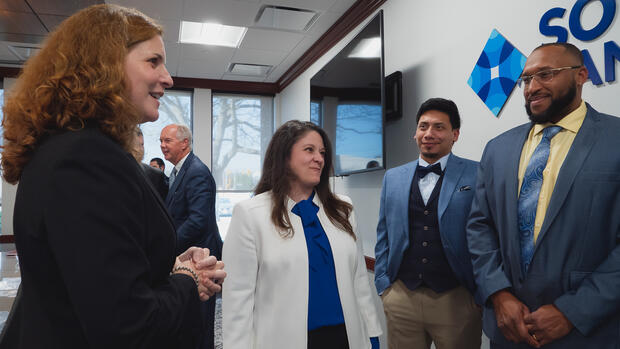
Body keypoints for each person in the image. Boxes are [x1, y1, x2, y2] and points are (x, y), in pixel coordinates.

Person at [0, 5, 225, 348]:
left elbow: (96, 277)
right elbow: (128, 325)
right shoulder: (86, 159)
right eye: (153, 61)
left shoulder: (70, 149)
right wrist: (187, 280)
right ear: (104, 65)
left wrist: (167, 267)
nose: (168, 78)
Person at [467, 42, 620, 349]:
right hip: (508, 329)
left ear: (581, 75)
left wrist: (573, 311)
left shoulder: (614, 139)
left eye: (545, 75)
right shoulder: (498, 149)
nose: (532, 88)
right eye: (526, 79)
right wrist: (499, 294)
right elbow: (480, 227)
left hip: (589, 333)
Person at [222, 120, 382, 349]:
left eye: (322, 152)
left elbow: (359, 281)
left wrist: (372, 334)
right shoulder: (250, 214)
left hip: (345, 337)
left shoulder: (344, 210)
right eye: (309, 150)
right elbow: (238, 299)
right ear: (284, 157)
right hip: (284, 340)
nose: (319, 158)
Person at [374, 98, 481, 349]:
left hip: (456, 299)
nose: (429, 134)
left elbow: (488, 233)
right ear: (415, 133)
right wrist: (383, 285)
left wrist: (479, 293)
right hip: (401, 297)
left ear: (455, 134)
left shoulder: (477, 173)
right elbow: (383, 233)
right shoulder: (393, 177)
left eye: (439, 127)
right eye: (423, 126)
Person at [160, 123, 222, 349]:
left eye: (167, 141)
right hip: (187, 258)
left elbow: (198, 221)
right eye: (161, 141)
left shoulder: (196, 172)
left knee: (201, 322)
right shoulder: (177, 171)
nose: (162, 146)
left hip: (201, 259)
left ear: (184, 143)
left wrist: (166, 245)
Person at [133, 127, 168, 200]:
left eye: (143, 145)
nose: (142, 149)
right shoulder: (153, 174)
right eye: (141, 145)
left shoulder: (155, 175)